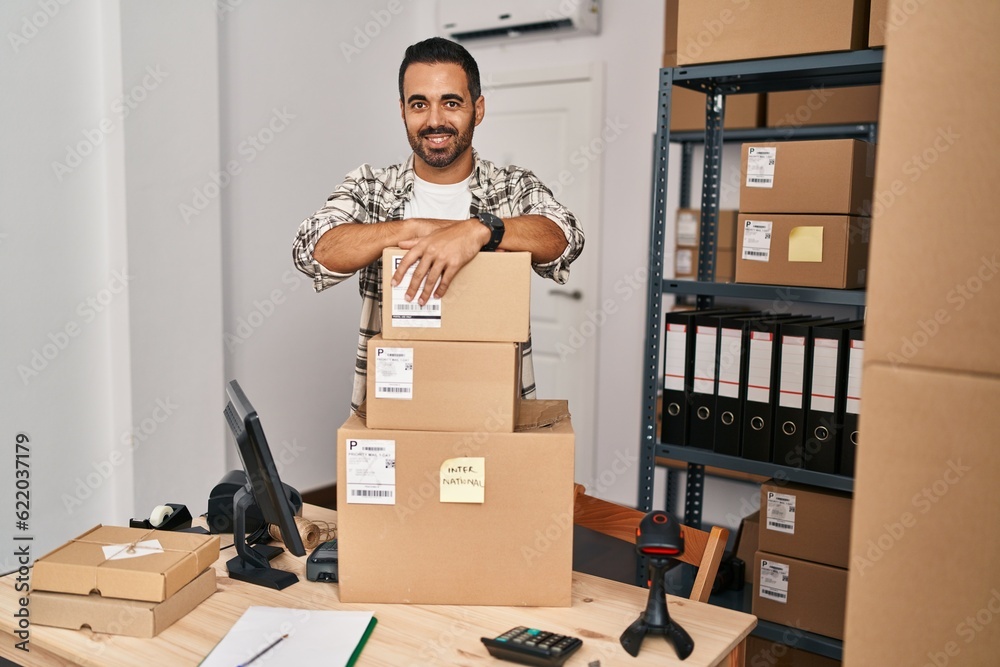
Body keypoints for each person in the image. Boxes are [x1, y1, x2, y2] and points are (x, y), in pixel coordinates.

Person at [292, 37, 584, 413]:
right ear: (402, 111)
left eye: (451, 102)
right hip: (395, 408)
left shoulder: (510, 187)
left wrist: (480, 229)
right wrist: (411, 229)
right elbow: (312, 249)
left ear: (478, 109)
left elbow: (564, 236)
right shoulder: (372, 188)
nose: (434, 121)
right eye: (419, 104)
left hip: (491, 410)